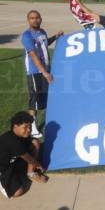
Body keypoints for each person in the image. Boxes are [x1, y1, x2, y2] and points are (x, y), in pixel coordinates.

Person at [21, 10, 63, 138]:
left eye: (37, 17)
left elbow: (45, 44)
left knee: (44, 99)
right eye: (32, 18)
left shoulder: (42, 32)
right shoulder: (27, 35)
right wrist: (44, 72)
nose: (35, 20)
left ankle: (43, 122)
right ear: (28, 20)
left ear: (40, 18)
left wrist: (55, 37)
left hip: (45, 70)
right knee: (34, 100)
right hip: (35, 72)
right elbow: (33, 55)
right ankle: (32, 127)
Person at [0, 111, 48, 199]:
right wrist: (39, 165)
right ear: (15, 126)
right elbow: (30, 160)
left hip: (13, 161)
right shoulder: (13, 142)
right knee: (18, 192)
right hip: (3, 169)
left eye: (29, 127)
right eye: (25, 127)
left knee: (35, 142)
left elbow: (30, 150)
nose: (29, 130)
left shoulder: (22, 136)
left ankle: (31, 173)